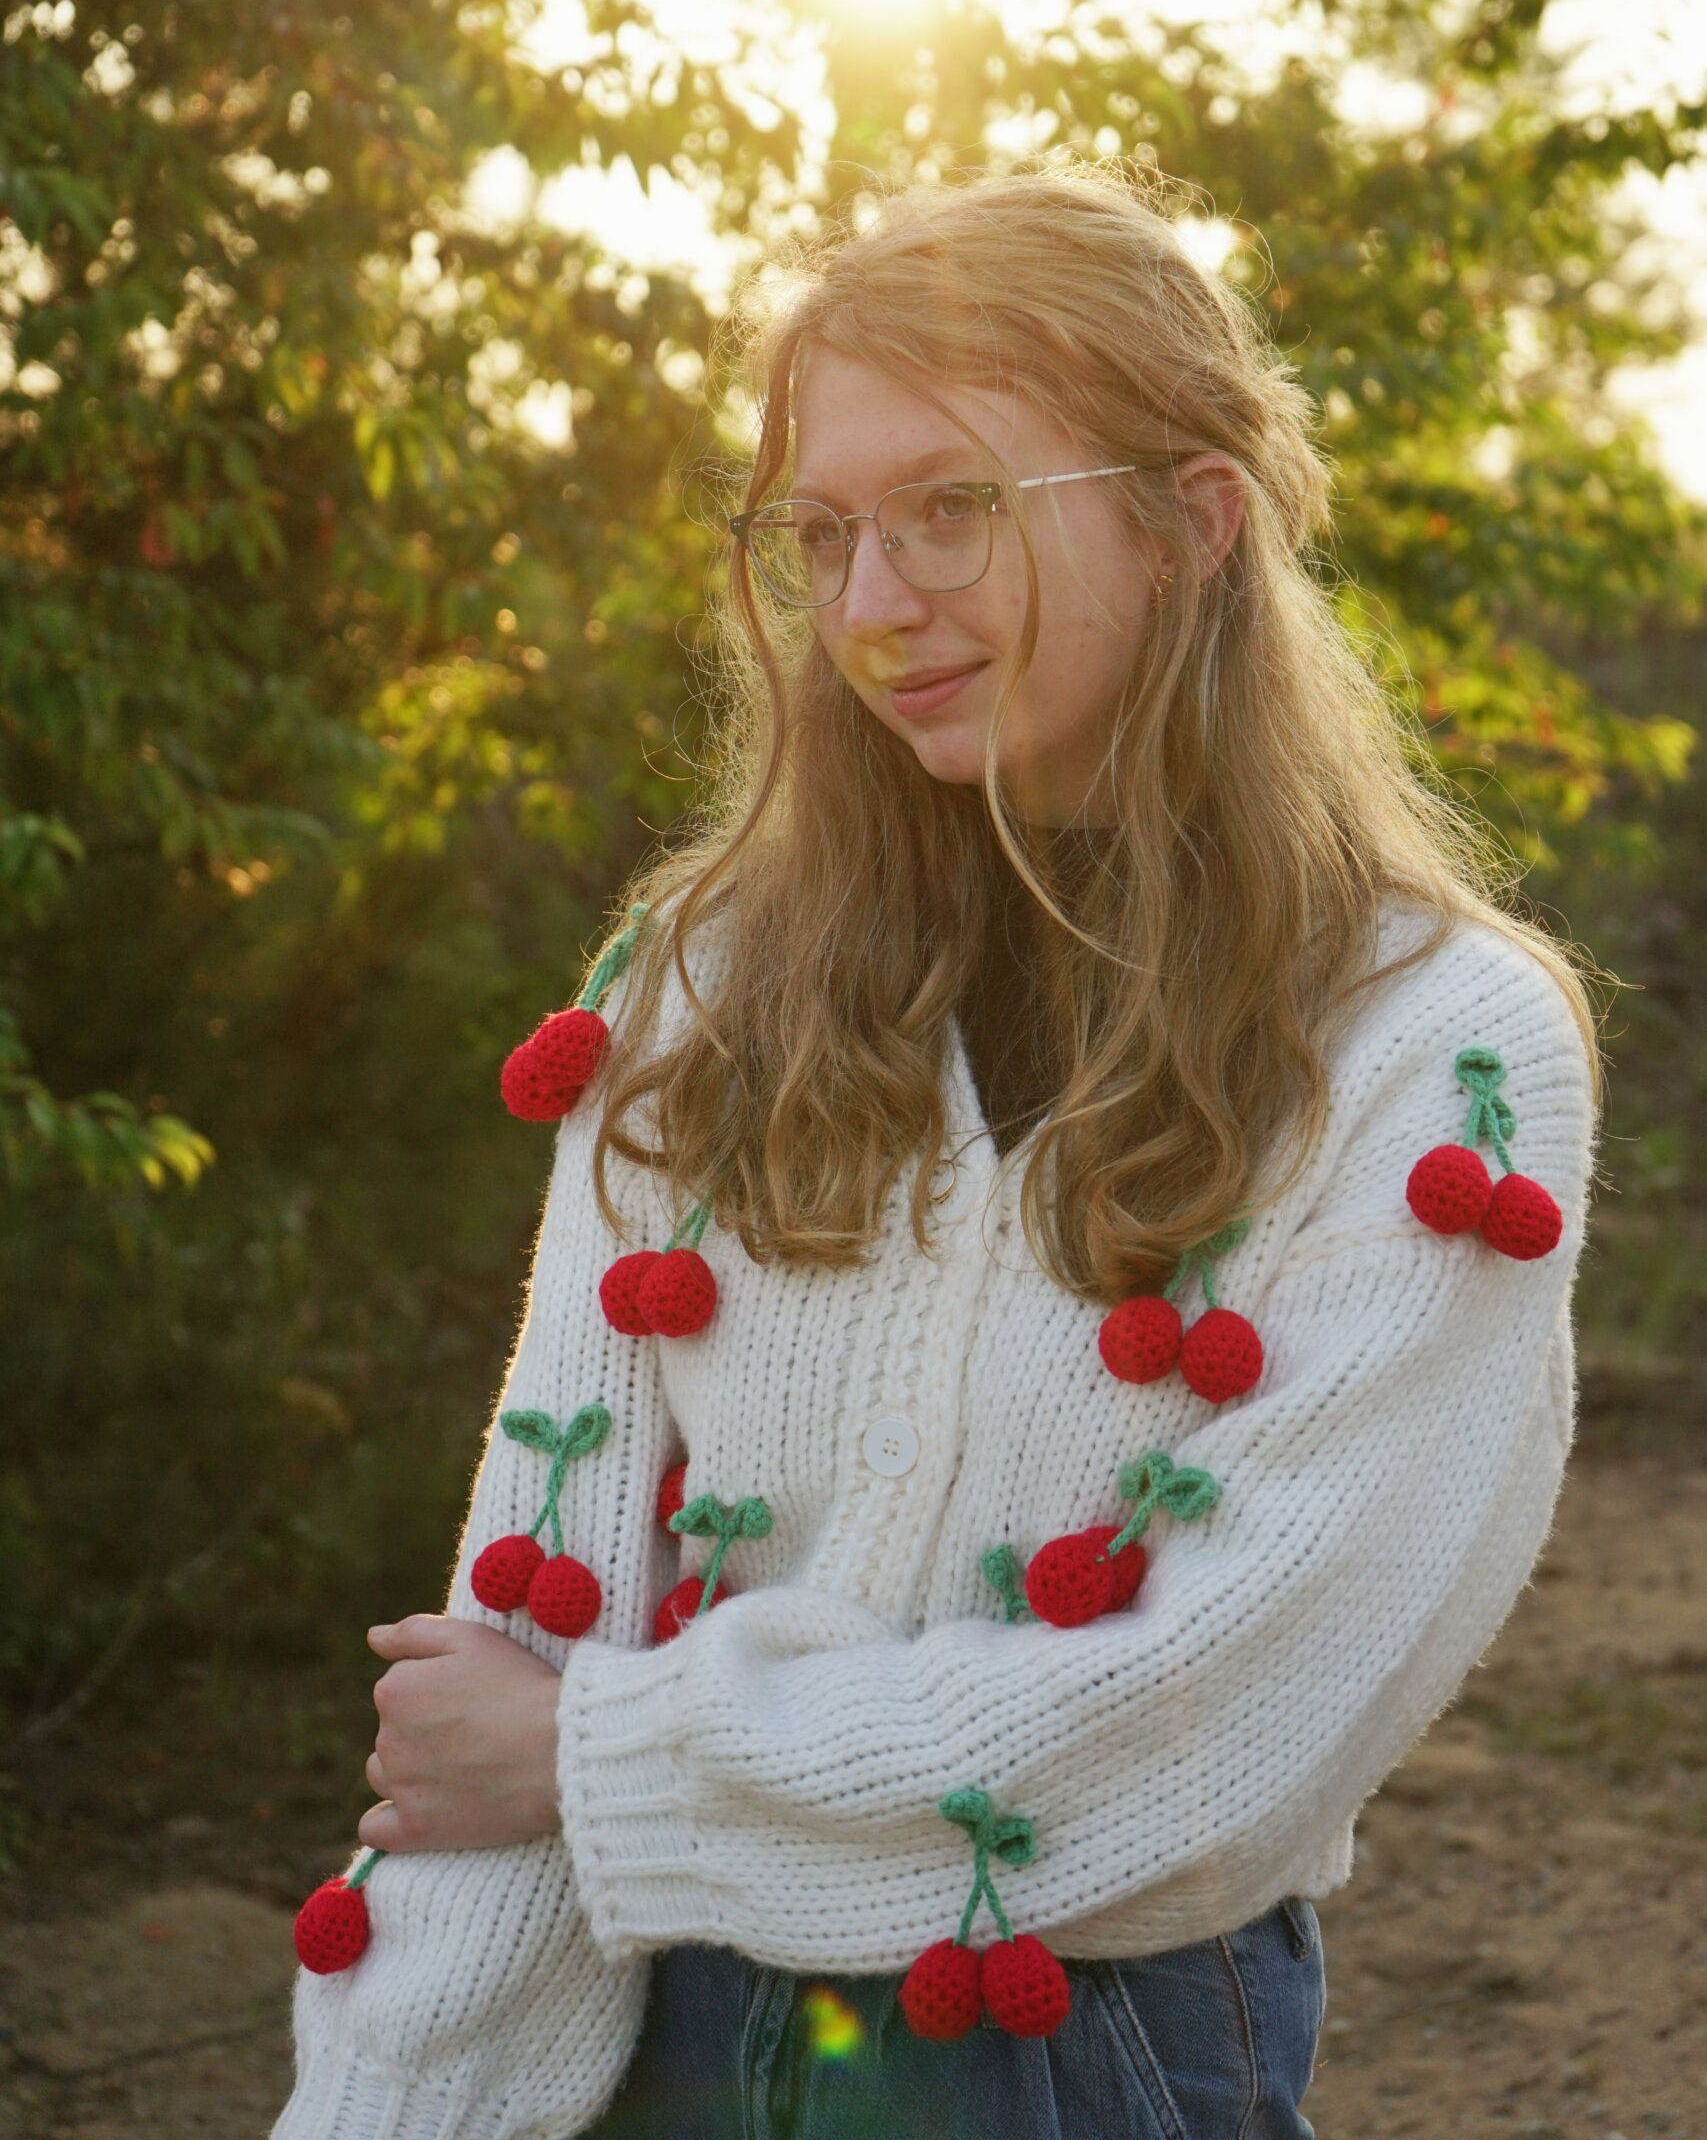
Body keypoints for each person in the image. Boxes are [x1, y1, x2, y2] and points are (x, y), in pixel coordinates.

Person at [270, 157, 1603, 2140]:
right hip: (631, 2017)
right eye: (819, 531)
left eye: (951, 509)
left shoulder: (1424, 1048)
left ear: (1188, 522)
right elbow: (532, 1602)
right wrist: (391, 2099)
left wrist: (600, 1761)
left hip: (1072, 2040)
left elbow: (1208, 1728)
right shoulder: (706, 982)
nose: (869, 606)